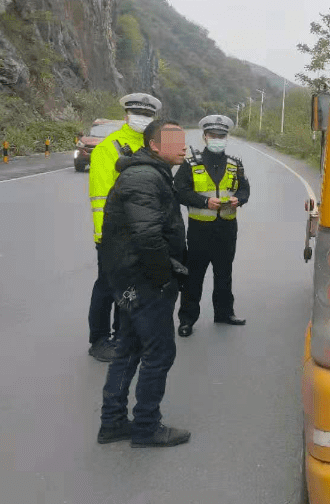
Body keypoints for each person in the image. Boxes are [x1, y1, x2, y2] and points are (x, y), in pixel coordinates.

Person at [97, 119, 190, 447]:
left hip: (129, 276)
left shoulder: (149, 172)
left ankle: (112, 422)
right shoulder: (145, 177)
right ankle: (147, 426)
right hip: (143, 278)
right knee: (158, 352)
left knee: (129, 348)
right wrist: (164, 278)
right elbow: (148, 235)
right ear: (153, 145)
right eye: (174, 140)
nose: (183, 146)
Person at [87, 93, 162, 362]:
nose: (142, 119)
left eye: (147, 115)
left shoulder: (153, 148)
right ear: (125, 116)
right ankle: (98, 339)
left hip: (143, 234)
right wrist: (103, 236)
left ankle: (124, 335)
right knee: (107, 287)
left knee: (132, 287)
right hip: (115, 235)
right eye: (137, 114)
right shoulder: (109, 148)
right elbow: (100, 197)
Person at [175, 115, 250, 337]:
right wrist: (204, 201)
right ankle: (187, 319)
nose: (218, 139)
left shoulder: (235, 164)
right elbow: (179, 190)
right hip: (200, 229)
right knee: (194, 276)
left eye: (222, 136)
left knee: (224, 273)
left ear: (227, 137)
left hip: (227, 227)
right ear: (205, 137)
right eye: (213, 135)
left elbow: (245, 189)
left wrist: (240, 199)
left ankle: (224, 313)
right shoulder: (191, 163)